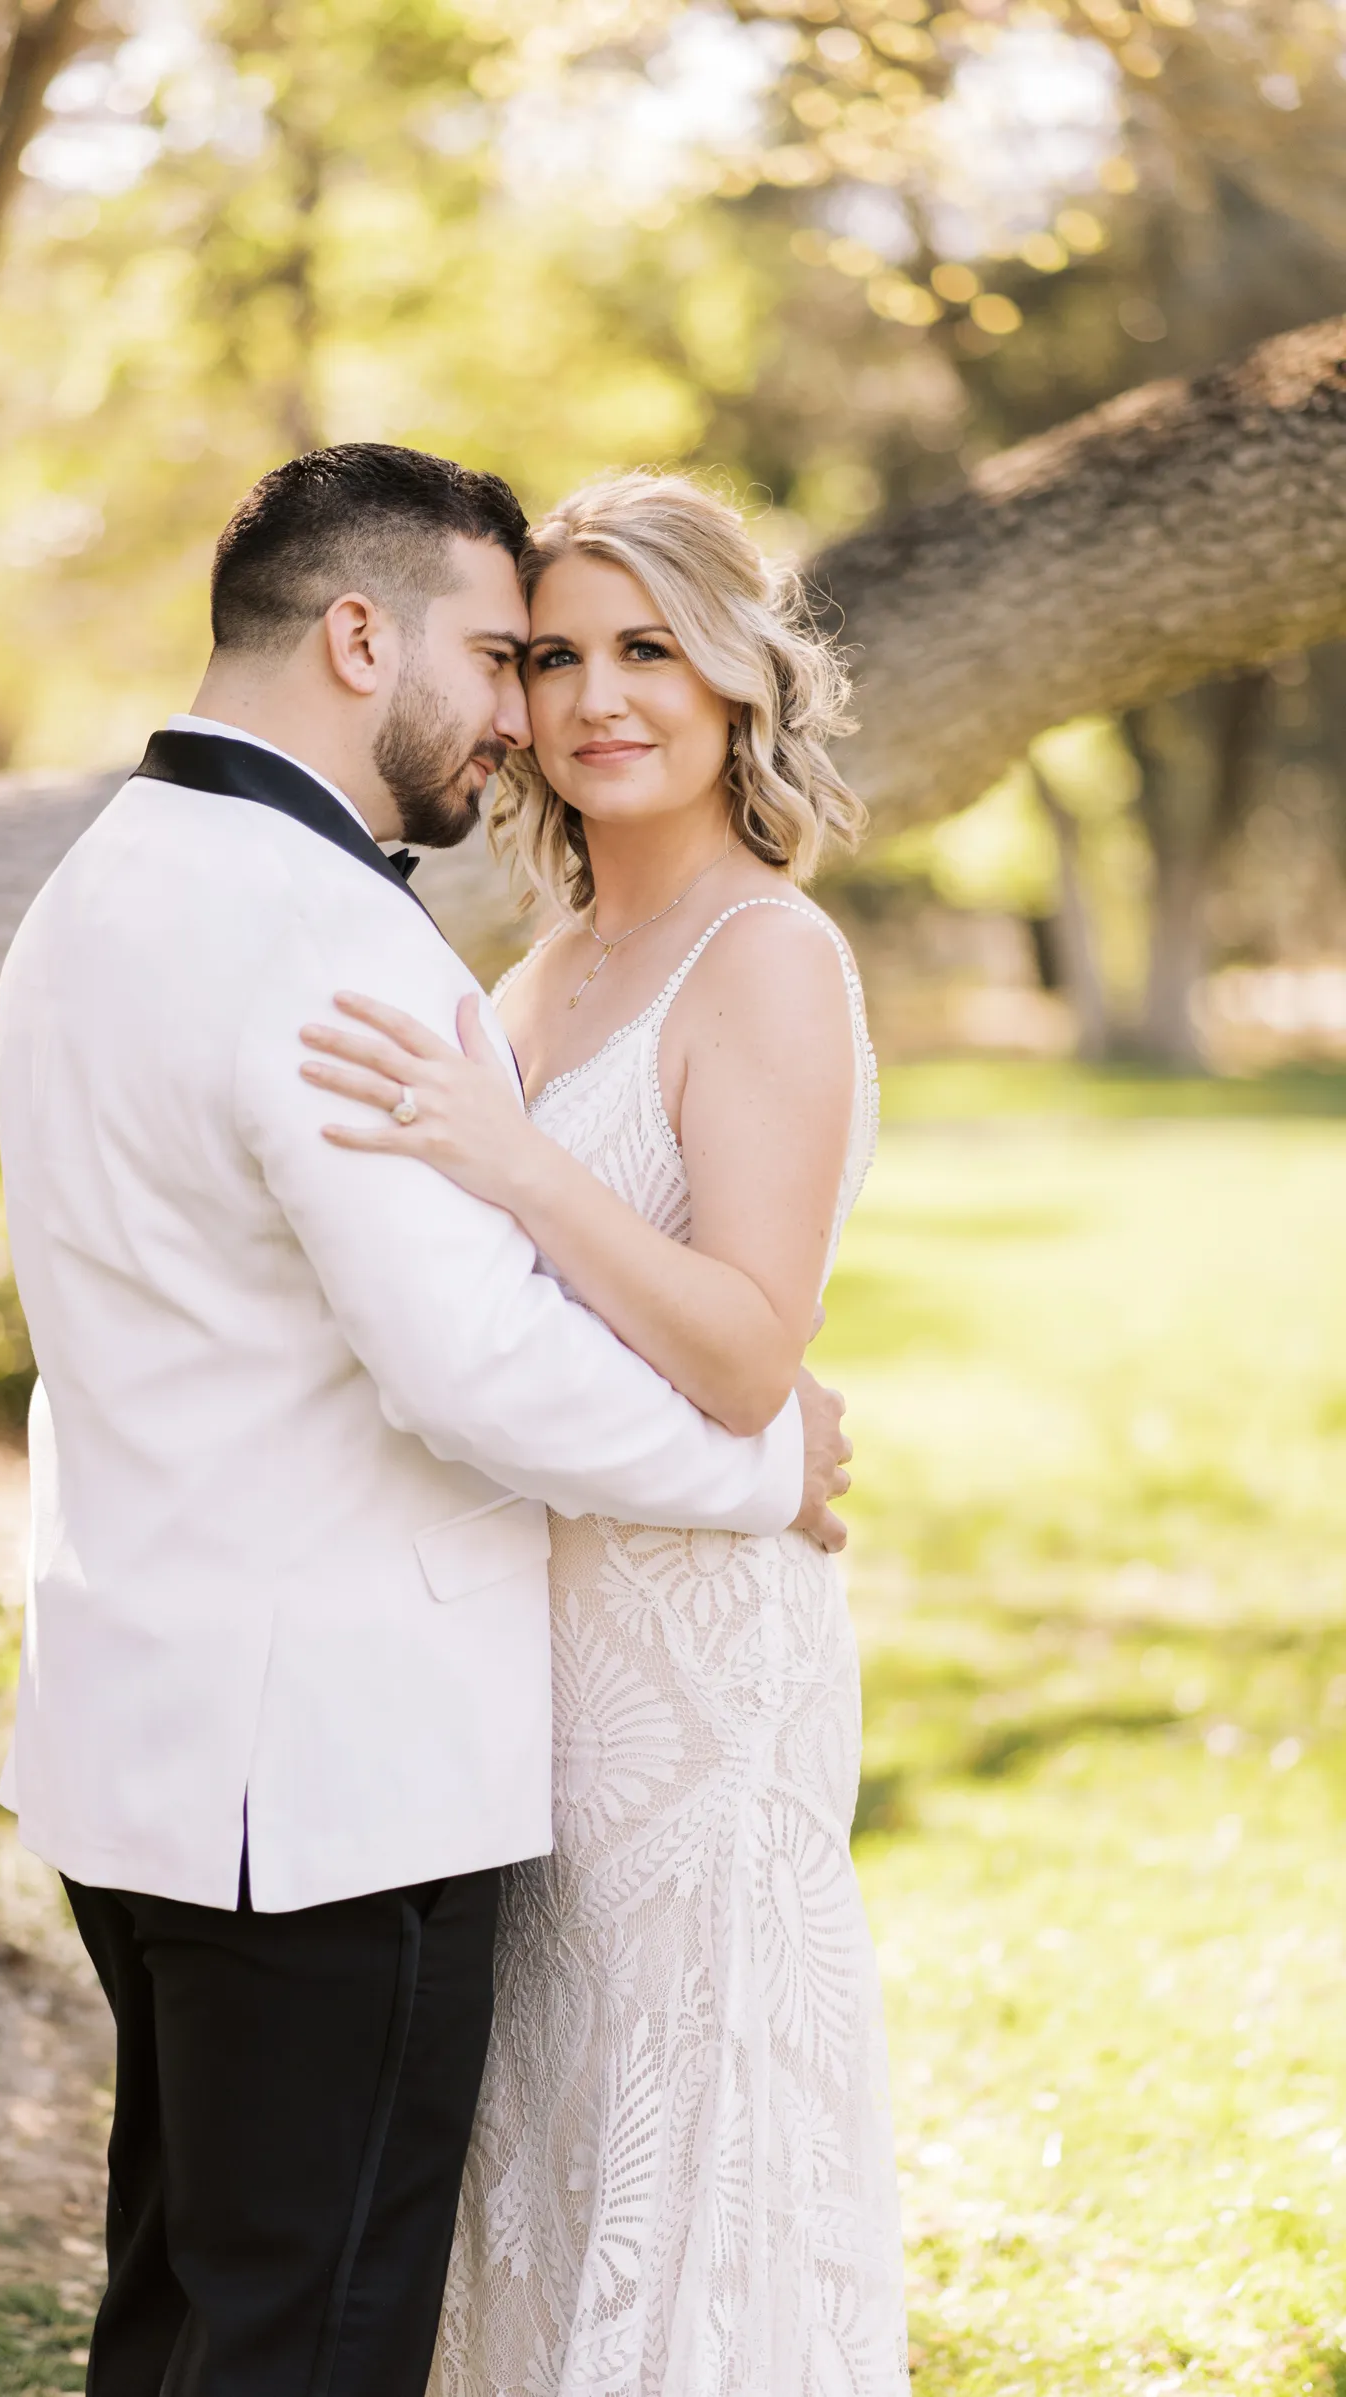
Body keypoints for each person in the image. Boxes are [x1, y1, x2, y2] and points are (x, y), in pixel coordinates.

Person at [0, 443, 853, 2397]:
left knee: (191, 2302)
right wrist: (761, 1456)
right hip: (321, 1778)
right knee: (313, 2331)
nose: (528, 709)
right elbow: (467, 1361)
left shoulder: (95, 888)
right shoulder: (327, 934)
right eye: (512, 652)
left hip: (151, 1744)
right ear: (361, 635)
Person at [298, 470, 908, 2393]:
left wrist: (511, 1166)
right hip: (522, 1662)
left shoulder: (772, 960)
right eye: (553, 656)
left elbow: (743, 1358)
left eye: (648, 648)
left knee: (688, 2161)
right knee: (546, 2170)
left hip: (693, 1677)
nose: (594, 699)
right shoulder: (537, 975)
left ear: (740, 679)